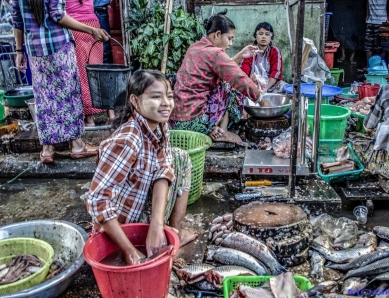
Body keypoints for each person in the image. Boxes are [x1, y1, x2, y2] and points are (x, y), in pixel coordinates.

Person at [87, 70, 197, 265]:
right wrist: (130, 251)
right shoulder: (128, 141)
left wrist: (156, 226)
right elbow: (98, 200)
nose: (166, 103)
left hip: (142, 211)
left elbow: (164, 167)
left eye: (169, 96)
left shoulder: (160, 125)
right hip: (121, 223)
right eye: (156, 97)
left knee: (180, 158)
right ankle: (146, 240)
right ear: (135, 101)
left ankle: (172, 231)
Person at [12, 0, 109, 164]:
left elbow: (17, 20)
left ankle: (48, 149)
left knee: (43, 97)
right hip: (59, 45)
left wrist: (19, 51)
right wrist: (91, 30)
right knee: (69, 94)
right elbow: (58, 15)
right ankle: (77, 146)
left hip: (35, 49)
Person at [169, 10, 264, 145]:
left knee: (225, 83)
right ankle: (221, 131)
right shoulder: (215, 53)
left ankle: (215, 127)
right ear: (218, 34)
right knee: (232, 87)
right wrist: (260, 99)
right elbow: (237, 78)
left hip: (177, 121)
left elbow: (219, 68)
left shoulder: (195, 47)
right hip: (194, 122)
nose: (230, 43)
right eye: (229, 38)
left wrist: (240, 55)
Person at [66, 0, 115, 127]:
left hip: (75, 27)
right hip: (94, 25)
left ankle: (90, 119)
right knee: (98, 71)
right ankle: (111, 114)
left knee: (83, 74)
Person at [240, 22, 287, 93]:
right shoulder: (250, 50)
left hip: (270, 85)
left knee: (286, 88)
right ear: (255, 36)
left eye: (267, 34)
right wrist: (253, 86)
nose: (264, 37)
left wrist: (265, 88)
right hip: (252, 85)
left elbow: (276, 73)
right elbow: (244, 71)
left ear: (271, 37)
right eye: (260, 34)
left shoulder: (275, 51)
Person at [357, 0, 389, 73]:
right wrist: (367, 14)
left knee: (382, 46)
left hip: (382, 21)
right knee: (368, 45)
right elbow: (367, 1)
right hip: (370, 21)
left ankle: (381, 66)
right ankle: (368, 66)